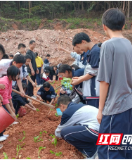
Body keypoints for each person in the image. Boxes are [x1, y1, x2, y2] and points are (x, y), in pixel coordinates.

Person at [97, 8, 132, 160]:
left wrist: (100, 110)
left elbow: (105, 81)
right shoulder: (129, 45)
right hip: (128, 106)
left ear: (104, 26)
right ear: (123, 25)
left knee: (109, 152)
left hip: (114, 109)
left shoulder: (108, 45)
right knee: (124, 148)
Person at [55, 95, 99, 160]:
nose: (61, 111)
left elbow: (59, 132)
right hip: (104, 129)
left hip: (97, 131)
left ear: (62, 105)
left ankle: (91, 153)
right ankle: (96, 146)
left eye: (60, 109)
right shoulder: (78, 106)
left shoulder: (67, 112)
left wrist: (55, 137)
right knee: (76, 128)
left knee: (65, 133)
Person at [71, 32, 100, 108]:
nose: (80, 49)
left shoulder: (95, 51)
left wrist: (80, 80)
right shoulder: (91, 52)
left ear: (83, 42)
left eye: (78, 46)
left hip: (95, 92)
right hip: (91, 93)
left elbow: (93, 72)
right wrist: (80, 78)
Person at [0, 65, 19, 142]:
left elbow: (9, 95)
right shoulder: (5, 81)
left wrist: (12, 107)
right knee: (3, 118)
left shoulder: (10, 81)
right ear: (11, 75)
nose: (18, 77)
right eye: (17, 75)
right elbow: (4, 99)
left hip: (3, 100)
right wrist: (11, 112)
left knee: (6, 116)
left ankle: (1, 134)